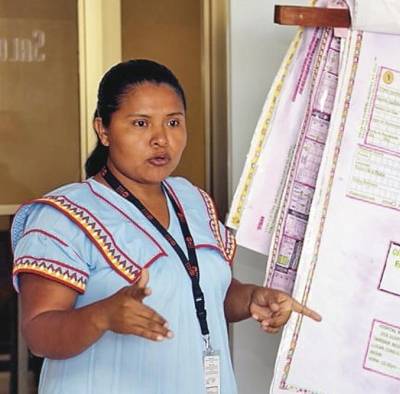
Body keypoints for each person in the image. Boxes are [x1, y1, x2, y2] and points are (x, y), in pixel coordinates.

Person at [10, 59, 321, 394]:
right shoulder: (64, 215)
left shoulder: (193, 200)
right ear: (103, 129)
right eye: (141, 123)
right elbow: (39, 333)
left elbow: (204, 293)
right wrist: (102, 316)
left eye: (173, 122)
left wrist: (252, 299)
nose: (161, 139)